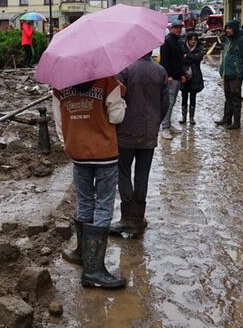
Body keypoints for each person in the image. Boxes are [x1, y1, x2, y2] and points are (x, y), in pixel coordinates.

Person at [53, 75, 127, 289]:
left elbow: (59, 121)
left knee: (84, 202)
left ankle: (81, 252)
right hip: (104, 152)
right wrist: (122, 102)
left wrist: (69, 143)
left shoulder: (60, 85)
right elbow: (116, 117)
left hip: (77, 151)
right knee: (104, 205)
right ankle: (94, 270)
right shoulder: (108, 81)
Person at [109, 52, 169, 237]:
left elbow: (115, 101)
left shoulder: (124, 70)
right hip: (149, 133)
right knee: (142, 175)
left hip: (126, 132)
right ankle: (138, 218)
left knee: (123, 172)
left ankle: (127, 217)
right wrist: (154, 123)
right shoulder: (160, 71)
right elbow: (165, 103)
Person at [216, 20, 243, 130]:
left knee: (236, 99)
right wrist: (222, 70)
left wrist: (240, 75)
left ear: (235, 29)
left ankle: (236, 123)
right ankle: (227, 118)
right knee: (228, 98)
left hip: (235, 76)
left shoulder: (241, 41)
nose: (227, 30)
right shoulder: (228, 40)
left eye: (229, 28)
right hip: (227, 74)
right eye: (226, 28)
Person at [159, 22, 185, 138]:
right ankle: (165, 127)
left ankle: (168, 124)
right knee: (169, 102)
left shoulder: (178, 41)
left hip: (177, 77)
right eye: (177, 28)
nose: (179, 30)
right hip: (170, 78)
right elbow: (164, 60)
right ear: (171, 29)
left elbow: (180, 60)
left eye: (180, 28)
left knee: (173, 102)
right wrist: (167, 75)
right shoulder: (167, 41)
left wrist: (182, 74)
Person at [180, 31, 205, 124]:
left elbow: (198, 58)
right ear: (188, 39)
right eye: (191, 40)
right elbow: (181, 59)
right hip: (184, 76)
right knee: (184, 97)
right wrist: (192, 57)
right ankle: (183, 117)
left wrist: (188, 56)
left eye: (195, 40)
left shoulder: (199, 48)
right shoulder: (182, 47)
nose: (193, 42)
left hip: (195, 76)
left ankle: (191, 117)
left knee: (193, 97)